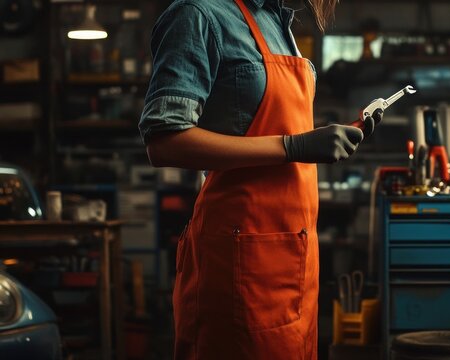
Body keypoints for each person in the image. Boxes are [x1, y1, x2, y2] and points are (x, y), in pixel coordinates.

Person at [139, 0, 381, 358]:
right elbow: (164, 142)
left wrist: (327, 138)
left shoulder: (277, 20)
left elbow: (268, 130)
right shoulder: (199, 15)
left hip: (295, 257)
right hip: (239, 260)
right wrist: (293, 146)